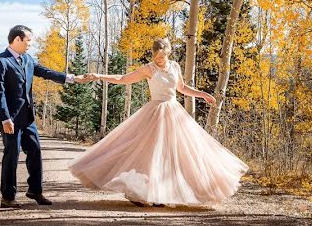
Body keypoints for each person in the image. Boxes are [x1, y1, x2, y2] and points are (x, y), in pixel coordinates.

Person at [69, 38, 248, 206]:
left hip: (174, 113)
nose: (159, 60)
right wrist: (99, 76)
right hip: (154, 112)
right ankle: (143, 192)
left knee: (178, 154)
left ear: (168, 53)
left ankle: (163, 192)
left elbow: (182, 88)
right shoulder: (149, 69)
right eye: (156, 57)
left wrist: (203, 94)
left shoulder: (175, 67)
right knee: (150, 154)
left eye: (162, 57)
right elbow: (123, 79)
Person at [0, 24, 89, 207]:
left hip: (27, 118)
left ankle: (35, 190)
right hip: (10, 119)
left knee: (35, 151)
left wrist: (72, 78)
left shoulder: (27, 59)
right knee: (12, 154)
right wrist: (4, 118)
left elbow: (45, 72)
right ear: (17, 39)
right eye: (28, 41)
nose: (30, 44)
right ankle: (8, 197)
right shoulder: (0, 62)